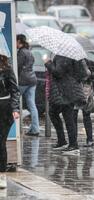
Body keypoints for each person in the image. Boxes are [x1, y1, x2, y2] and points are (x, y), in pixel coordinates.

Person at [44, 55, 87, 155]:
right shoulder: (71, 55)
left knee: (68, 117)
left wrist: (48, 63)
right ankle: (63, 141)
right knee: (54, 113)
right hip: (67, 89)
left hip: (65, 91)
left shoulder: (63, 56)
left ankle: (73, 145)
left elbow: (58, 73)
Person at [0, 55, 20, 188]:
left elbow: (15, 90)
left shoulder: (6, 69)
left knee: (0, 141)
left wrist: (15, 108)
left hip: (4, 109)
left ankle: (1, 175)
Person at [16, 34, 40, 136]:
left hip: (23, 81)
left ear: (19, 41)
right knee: (32, 105)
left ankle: (15, 128)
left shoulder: (21, 52)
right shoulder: (29, 52)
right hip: (32, 80)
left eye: (15, 41)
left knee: (14, 102)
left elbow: (17, 66)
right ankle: (35, 129)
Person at [73, 59, 94, 147]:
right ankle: (89, 140)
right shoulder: (91, 63)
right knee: (86, 117)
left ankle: (74, 140)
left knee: (73, 117)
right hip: (88, 92)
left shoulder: (76, 64)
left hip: (77, 92)